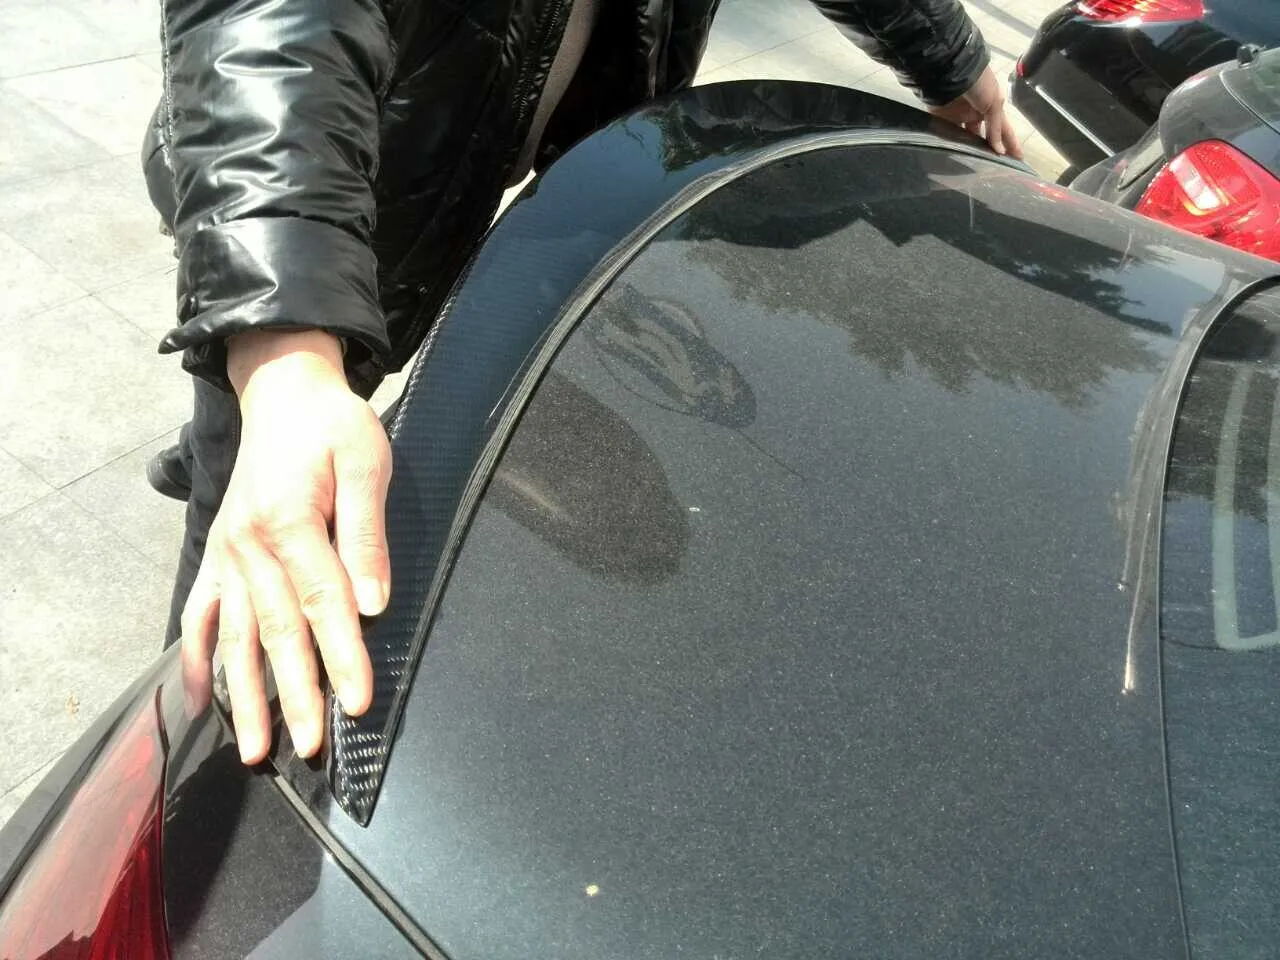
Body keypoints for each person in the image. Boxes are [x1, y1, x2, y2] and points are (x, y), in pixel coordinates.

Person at [143, 0, 1021, 766]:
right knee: (262, 491)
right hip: (306, 171)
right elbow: (274, 30)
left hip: (488, 161)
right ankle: (177, 758)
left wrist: (954, 68)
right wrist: (284, 358)